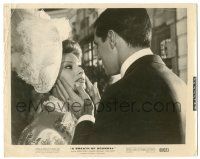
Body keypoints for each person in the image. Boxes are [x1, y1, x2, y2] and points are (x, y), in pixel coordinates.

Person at [55, 8, 186, 144]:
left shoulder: (120, 92)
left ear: (111, 38)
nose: (98, 56)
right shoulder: (180, 84)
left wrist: (85, 114)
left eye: (97, 45)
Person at [18, 40, 88, 145]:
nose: (81, 70)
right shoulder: (45, 132)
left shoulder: (76, 115)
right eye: (69, 66)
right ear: (52, 78)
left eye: (79, 65)